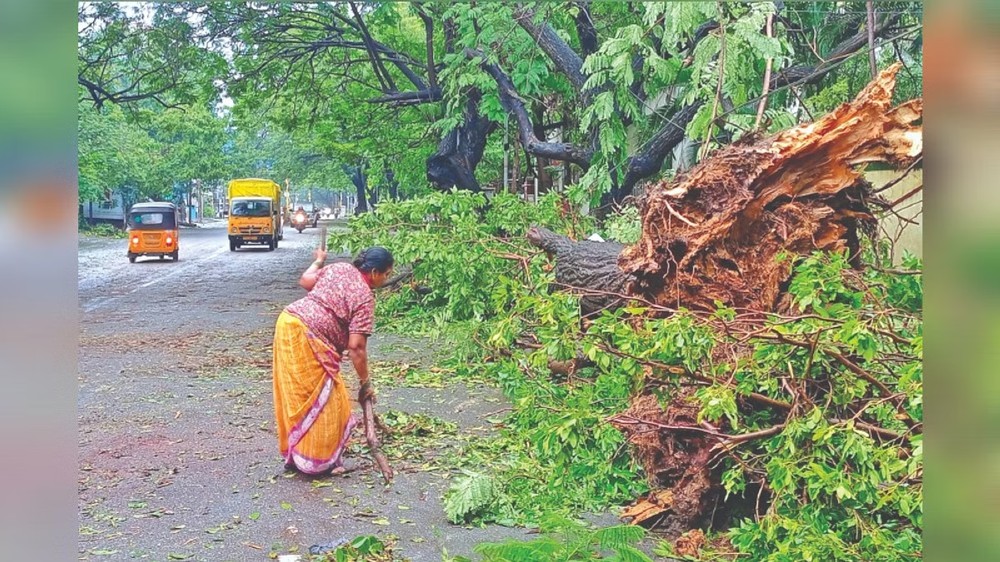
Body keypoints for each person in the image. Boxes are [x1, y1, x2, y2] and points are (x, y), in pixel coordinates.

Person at [272, 246, 394, 474]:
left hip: (287, 323)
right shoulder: (365, 297)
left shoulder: (339, 268)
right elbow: (356, 347)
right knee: (330, 404)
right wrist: (365, 382)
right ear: (375, 272)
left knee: (299, 397)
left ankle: (298, 456)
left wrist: (318, 261)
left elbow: (306, 281)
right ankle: (317, 463)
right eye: (387, 274)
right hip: (309, 337)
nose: (386, 279)